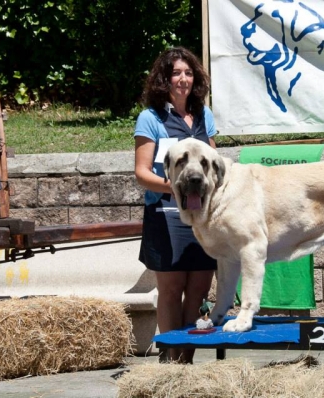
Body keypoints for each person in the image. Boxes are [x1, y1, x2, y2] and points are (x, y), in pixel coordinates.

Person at [134, 47, 218, 363]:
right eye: (175, 73)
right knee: (170, 291)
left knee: (197, 291)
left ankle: (186, 362)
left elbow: (214, 163)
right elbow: (142, 173)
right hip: (165, 215)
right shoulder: (150, 118)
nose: (182, 79)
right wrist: (175, 187)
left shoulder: (204, 116)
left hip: (201, 218)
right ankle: (169, 362)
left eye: (188, 72)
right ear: (163, 79)